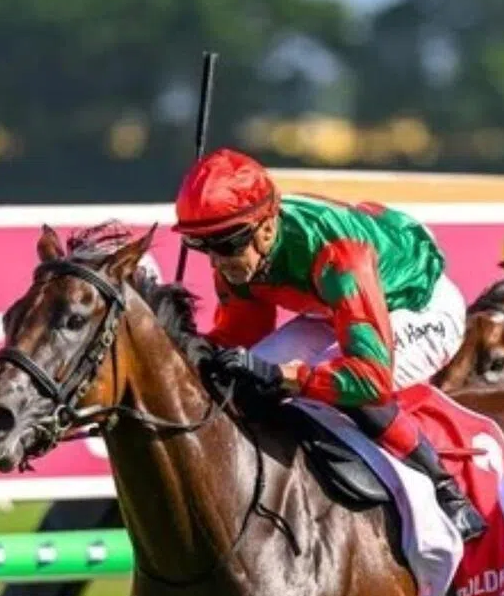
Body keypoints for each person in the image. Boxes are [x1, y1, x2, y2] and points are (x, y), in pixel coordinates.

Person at [172, 147, 487, 541]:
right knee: (238, 384)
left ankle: (445, 488)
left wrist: (282, 375)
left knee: (338, 390)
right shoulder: (241, 252)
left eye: (225, 244)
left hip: (417, 306)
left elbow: (370, 378)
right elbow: (238, 336)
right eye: (201, 245)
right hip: (335, 309)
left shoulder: (339, 256)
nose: (216, 261)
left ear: (266, 229)